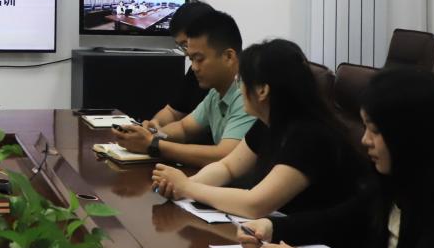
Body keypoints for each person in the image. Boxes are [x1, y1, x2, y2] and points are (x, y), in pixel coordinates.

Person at [237, 69, 434, 248]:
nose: (365, 140)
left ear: (409, 135)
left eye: (375, 131)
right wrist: (271, 227)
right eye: (365, 127)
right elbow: (335, 220)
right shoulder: (389, 183)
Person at [151, 39, 368, 218]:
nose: (239, 88)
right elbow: (228, 167)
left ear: (263, 90)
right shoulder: (269, 122)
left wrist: (187, 188)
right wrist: (181, 185)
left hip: (325, 246)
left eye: (241, 81)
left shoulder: (310, 136)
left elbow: (255, 204)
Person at [114, 10, 255, 168]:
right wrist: (152, 134)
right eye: (191, 59)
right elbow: (184, 129)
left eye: (199, 59)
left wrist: (153, 144)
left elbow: (225, 156)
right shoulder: (216, 92)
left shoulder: (248, 94)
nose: (194, 68)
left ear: (228, 57)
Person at [143, 0, 214, 130]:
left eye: (186, 44)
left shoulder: (234, 86)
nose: (187, 53)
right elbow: (173, 112)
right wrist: (154, 124)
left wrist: (153, 139)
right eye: (181, 46)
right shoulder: (195, 71)